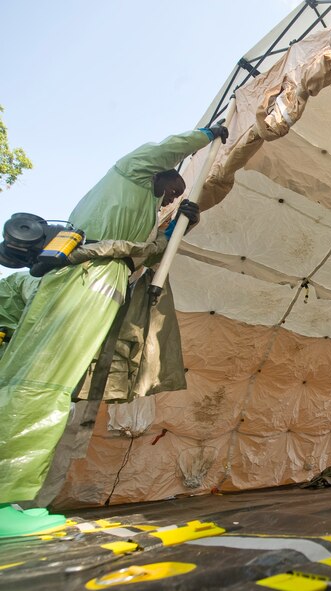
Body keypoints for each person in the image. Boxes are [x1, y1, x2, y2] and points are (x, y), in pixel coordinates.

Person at [0, 125, 227, 537]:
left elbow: (142, 254)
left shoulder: (141, 216)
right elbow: (168, 149)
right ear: (164, 171)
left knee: (74, 396)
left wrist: (177, 228)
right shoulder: (130, 173)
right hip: (81, 281)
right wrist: (207, 134)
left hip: (109, 290)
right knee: (44, 382)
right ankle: (2, 500)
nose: (175, 192)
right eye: (175, 185)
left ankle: (27, 503)